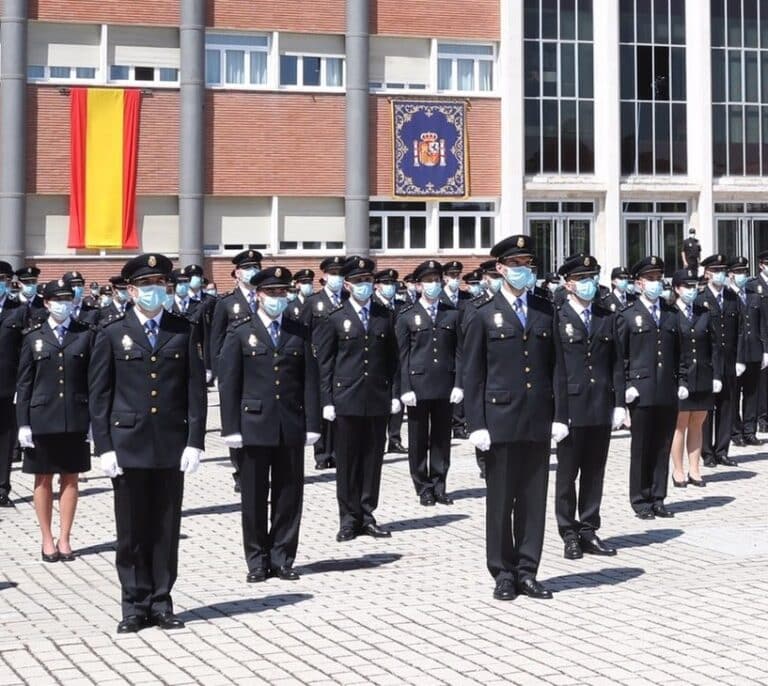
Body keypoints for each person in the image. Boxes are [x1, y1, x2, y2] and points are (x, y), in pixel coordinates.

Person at [89, 253, 206, 633]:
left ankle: (161, 601)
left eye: (160, 285)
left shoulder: (182, 331)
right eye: (146, 286)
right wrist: (104, 447)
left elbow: (195, 392)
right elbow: (100, 395)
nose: (154, 292)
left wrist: (195, 441)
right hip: (128, 446)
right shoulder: (111, 333)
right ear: (131, 290)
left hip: (171, 445)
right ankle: (133, 605)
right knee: (132, 532)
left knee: (166, 529)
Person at [463, 234, 568, 601]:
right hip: (500, 420)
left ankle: (528, 570)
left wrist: (560, 415)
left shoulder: (544, 309)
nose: (525, 272)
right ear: (501, 269)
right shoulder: (481, 313)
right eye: (518, 266)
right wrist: (475, 423)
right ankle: (503, 572)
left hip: (537, 419)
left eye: (529, 266)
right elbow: (472, 373)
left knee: (533, 500)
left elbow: (558, 369)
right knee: (501, 500)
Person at [218, 267, 320, 582]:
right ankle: (257, 560)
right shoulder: (240, 331)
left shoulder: (297, 331)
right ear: (258, 295)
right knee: (253, 496)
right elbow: (229, 383)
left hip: (289, 423)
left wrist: (312, 423)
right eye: (271, 293)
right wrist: (230, 427)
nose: (277, 298)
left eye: (281, 293)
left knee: (289, 495)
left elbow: (310, 381)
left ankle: (283, 557)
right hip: (254, 424)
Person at [314, 256, 400, 542]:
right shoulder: (335, 317)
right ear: (348, 285)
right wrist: (326, 401)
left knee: (373, 459)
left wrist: (394, 394)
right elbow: (325, 363)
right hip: (346, 398)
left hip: (376, 398)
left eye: (368, 280)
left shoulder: (383, 315)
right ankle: (348, 518)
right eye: (359, 281)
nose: (365, 285)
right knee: (348, 460)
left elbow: (393, 359)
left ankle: (367, 513)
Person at [16, 280, 94, 562]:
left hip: (75, 415)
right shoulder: (33, 336)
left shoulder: (84, 334)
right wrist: (22, 423)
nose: (64, 304)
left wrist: (94, 421)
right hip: (42, 418)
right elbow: (24, 383)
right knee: (43, 478)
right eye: (57, 300)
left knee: (71, 478)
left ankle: (65, 538)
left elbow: (93, 380)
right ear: (46, 303)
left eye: (67, 299)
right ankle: (47, 538)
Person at [553, 255, 625, 560]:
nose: (590, 283)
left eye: (593, 277)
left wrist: (619, 403)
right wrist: (556, 414)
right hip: (571, 407)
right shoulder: (557, 318)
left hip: (600, 404)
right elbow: (553, 368)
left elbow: (617, 363)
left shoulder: (605, 315)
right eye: (583, 278)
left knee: (595, 472)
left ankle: (588, 529)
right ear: (569, 284)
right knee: (568, 474)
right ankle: (568, 533)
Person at [617, 256, 680, 519]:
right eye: (651, 279)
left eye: (659, 278)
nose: (656, 283)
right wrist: (627, 386)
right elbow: (620, 356)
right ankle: (640, 499)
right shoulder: (628, 316)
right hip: (641, 392)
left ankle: (658, 497)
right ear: (639, 283)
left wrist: (682, 381)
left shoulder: (670, 314)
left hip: (666, 389)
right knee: (641, 447)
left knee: (662, 445)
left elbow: (680, 354)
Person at [396, 260, 463, 506]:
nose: (433, 285)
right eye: (428, 280)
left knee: (441, 439)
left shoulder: (452, 313)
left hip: (445, 384)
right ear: (417, 285)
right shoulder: (406, 316)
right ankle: (422, 486)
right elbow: (402, 356)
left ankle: (439, 484)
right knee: (418, 439)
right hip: (418, 386)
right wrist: (404, 388)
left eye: (437, 280)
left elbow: (459, 352)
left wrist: (459, 383)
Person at [210, 250, 263, 492]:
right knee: (236, 418)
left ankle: (259, 466)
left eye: (256, 267)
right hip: (235, 372)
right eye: (248, 268)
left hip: (261, 371)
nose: (253, 271)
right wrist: (220, 370)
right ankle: (240, 470)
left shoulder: (266, 298)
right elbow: (216, 340)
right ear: (238, 272)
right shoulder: (226, 303)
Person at [670, 269, 722, 489]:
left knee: (698, 423)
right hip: (681, 378)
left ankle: (695, 468)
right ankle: (678, 470)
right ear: (677, 288)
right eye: (687, 286)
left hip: (703, 375)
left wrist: (717, 375)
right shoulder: (670, 313)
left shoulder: (704, 312)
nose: (691, 291)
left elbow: (715, 347)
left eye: (694, 287)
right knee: (680, 424)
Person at [301, 256, 348, 470]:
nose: (337, 278)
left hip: (344, 361)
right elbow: (303, 333)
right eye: (334, 273)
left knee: (340, 409)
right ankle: (321, 454)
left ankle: (338, 452)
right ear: (325, 276)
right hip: (319, 361)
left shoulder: (349, 299)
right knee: (321, 408)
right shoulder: (313, 302)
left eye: (340, 274)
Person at [698, 254, 740, 468]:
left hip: (729, 361)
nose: (721, 275)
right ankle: (706, 452)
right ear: (707, 273)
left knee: (727, 404)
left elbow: (740, 329)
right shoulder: (700, 298)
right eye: (717, 271)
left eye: (723, 271)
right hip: (708, 362)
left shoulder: (732, 297)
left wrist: (740, 359)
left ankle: (722, 450)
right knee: (708, 408)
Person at [729, 256, 767, 447]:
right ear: (730, 275)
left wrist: (765, 350)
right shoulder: (728, 297)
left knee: (752, 393)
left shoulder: (753, 295)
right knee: (734, 394)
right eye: (737, 272)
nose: (741, 276)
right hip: (736, 353)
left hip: (754, 350)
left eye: (743, 272)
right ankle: (735, 432)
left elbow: (762, 324)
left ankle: (749, 430)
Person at [374, 268, 407, 455]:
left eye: (392, 284)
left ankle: (395, 439)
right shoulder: (374, 305)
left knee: (398, 398)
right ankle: (380, 439)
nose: (390, 287)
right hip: (380, 356)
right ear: (377, 285)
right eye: (386, 283)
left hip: (399, 356)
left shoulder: (402, 306)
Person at [0, 261, 24, 508]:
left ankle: (2, 489)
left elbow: (23, 350)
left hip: (7, 385)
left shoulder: (18, 310)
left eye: (3, 279)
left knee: (5, 440)